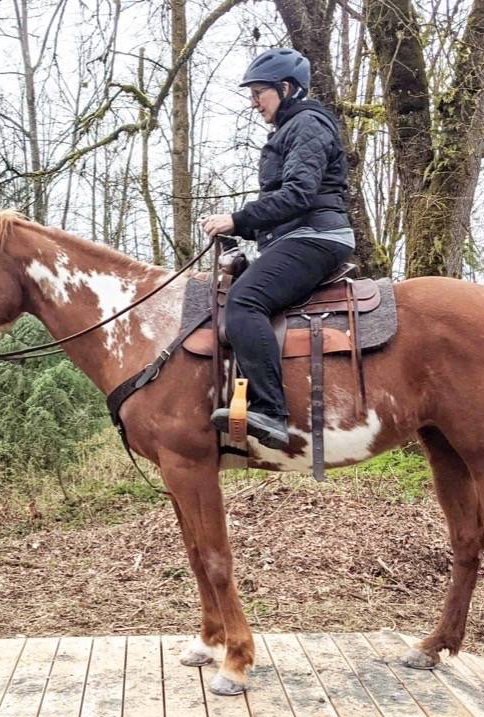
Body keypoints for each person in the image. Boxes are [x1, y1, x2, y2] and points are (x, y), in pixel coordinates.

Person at [199, 48, 355, 450]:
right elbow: (287, 205)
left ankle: (270, 411)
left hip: (317, 236)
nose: (253, 103)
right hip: (297, 235)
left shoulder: (307, 124)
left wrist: (238, 218)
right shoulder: (292, 128)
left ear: (285, 88)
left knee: (244, 302)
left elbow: (299, 195)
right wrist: (244, 234)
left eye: (258, 93)